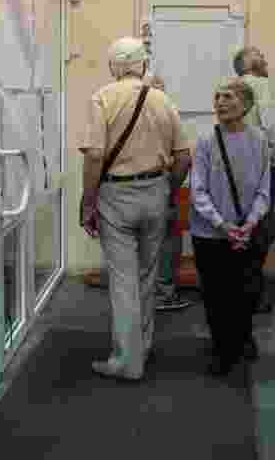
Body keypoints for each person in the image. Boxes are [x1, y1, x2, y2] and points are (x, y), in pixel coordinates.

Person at [79, 37, 191, 381]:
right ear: (142, 64)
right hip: (156, 191)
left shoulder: (102, 98)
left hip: (117, 194)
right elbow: (184, 157)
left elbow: (95, 154)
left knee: (123, 279)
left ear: (113, 66)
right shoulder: (163, 100)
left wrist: (88, 199)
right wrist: (168, 190)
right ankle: (141, 345)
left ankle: (127, 361)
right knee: (147, 275)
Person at [190, 78, 270, 376]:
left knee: (246, 292)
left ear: (247, 105)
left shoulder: (259, 140)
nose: (221, 102)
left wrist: (250, 223)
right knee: (216, 295)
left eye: (229, 97)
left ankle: (243, 336)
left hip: (246, 231)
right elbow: (198, 190)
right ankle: (221, 350)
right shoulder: (205, 141)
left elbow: (264, 188)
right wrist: (222, 224)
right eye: (218, 97)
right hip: (211, 234)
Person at [234, 46, 275, 314]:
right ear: (248, 64)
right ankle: (252, 292)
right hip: (261, 167)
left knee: (242, 225)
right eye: (259, 55)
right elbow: (270, 127)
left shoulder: (231, 87)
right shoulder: (261, 85)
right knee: (262, 227)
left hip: (237, 169)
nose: (265, 58)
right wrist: (271, 159)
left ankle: (238, 290)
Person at [145, 73, 192, 312]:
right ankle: (164, 294)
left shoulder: (121, 111)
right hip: (161, 185)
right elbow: (184, 158)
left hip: (125, 190)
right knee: (168, 239)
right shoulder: (168, 111)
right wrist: (172, 187)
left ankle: (139, 296)